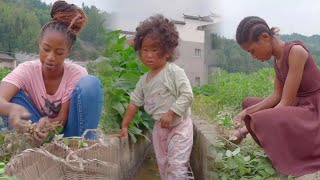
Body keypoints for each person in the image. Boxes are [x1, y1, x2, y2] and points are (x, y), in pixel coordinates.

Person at [0, 0, 103, 143]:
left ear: (68, 52)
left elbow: (62, 117)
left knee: (91, 84)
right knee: (12, 97)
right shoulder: (27, 70)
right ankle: (28, 147)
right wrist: (10, 109)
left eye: (59, 52)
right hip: (34, 130)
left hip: (67, 134)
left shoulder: (75, 74)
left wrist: (48, 124)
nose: (50, 58)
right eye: (46, 49)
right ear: (39, 44)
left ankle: (81, 147)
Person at [232, 16, 320, 176]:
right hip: (297, 106)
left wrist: (244, 131)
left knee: (258, 120)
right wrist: (244, 113)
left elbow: (285, 103)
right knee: (248, 103)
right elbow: (276, 96)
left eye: (252, 50)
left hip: (313, 111)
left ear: (265, 37)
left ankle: (293, 153)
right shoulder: (277, 60)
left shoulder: (296, 52)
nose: (253, 56)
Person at [116, 15, 194, 179]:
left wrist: (171, 112)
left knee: (177, 166)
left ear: (167, 52)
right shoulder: (144, 81)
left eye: (154, 50)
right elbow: (133, 103)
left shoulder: (174, 72)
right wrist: (124, 125)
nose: (148, 55)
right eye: (145, 50)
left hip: (180, 127)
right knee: (164, 166)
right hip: (160, 129)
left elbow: (187, 95)